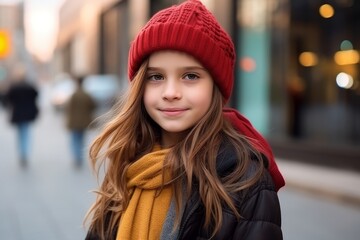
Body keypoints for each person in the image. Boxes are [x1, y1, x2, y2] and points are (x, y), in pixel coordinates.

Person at [85, 0, 285, 239]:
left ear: (215, 87)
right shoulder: (129, 162)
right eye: (156, 76)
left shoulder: (245, 181)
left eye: (190, 76)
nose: (170, 92)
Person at [4, 68, 39, 168]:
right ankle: (25, 152)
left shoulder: (14, 87)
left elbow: (7, 99)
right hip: (27, 115)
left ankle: (22, 153)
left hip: (17, 114)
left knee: (20, 135)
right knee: (26, 134)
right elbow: (36, 95)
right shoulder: (29, 86)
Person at [65, 75, 96, 168]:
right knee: (81, 140)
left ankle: (77, 157)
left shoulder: (73, 95)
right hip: (84, 122)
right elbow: (93, 106)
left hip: (74, 122)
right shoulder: (87, 95)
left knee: (75, 140)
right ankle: (80, 158)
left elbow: (68, 109)